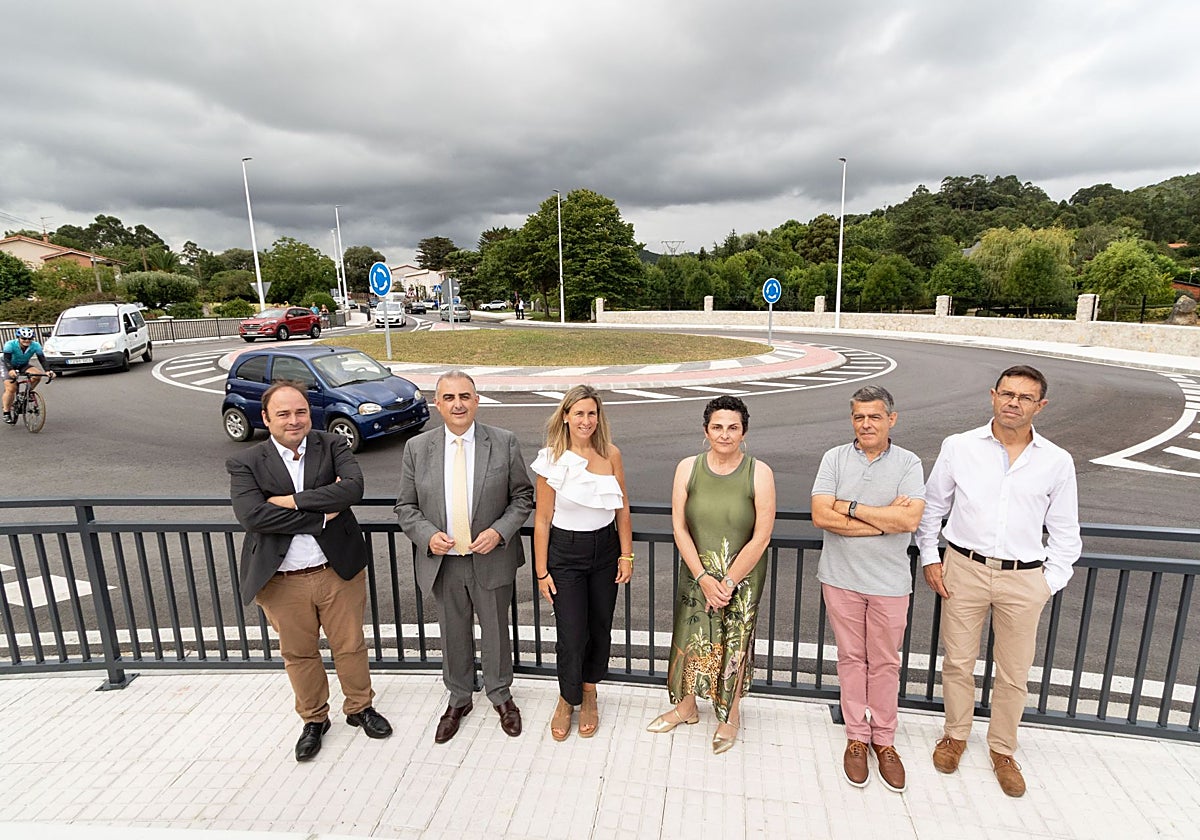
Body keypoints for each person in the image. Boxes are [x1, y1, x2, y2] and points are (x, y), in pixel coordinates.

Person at [916, 364, 1081, 798]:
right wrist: (932, 559)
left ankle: (1003, 750)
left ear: (1040, 406)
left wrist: (1049, 583)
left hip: (1024, 578)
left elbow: (1066, 533)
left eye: (1025, 397)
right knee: (958, 662)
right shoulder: (959, 446)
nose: (1014, 403)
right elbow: (932, 508)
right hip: (963, 569)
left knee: (1014, 673)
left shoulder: (1056, 461)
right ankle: (954, 735)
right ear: (992, 395)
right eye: (1007, 394)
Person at [226, 381, 392, 762]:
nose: (294, 420)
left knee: (350, 645)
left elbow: (353, 489)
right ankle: (315, 719)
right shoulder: (246, 462)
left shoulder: (331, 444)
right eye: (283, 414)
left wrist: (290, 502)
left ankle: (360, 708)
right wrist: (319, 517)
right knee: (299, 654)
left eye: (300, 411)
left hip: (337, 571)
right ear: (266, 418)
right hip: (281, 580)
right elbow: (253, 515)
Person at [395, 370, 534, 743]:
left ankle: (501, 695)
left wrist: (499, 532)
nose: (458, 404)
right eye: (449, 397)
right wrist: (427, 536)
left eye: (465, 396)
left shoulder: (503, 442)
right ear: (437, 404)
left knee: (495, 632)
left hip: (489, 557)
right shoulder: (418, 448)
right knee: (453, 633)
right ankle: (459, 697)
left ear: (476, 400)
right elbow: (406, 507)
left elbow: (523, 497)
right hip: (444, 563)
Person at [811, 385, 925, 792]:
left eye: (874, 416)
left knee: (885, 663)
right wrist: (883, 519)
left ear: (891, 419)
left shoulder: (909, 463)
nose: (866, 424)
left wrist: (852, 507)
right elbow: (821, 514)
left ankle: (885, 740)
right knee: (851, 659)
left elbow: (910, 521)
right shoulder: (834, 458)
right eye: (859, 417)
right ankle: (857, 737)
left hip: (890, 583)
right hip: (840, 578)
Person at [647, 396, 775, 754]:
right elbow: (679, 527)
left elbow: (761, 535)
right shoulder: (688, 468)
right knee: (691, 637)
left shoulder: (759, 473)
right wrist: (703, 577)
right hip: (696, 574)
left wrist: (729, 581)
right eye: (717, 427)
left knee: (734, 643)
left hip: (742, 578)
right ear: (706, 431)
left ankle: (729, 714)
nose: (725, 434)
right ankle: (687, 706)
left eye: (733, 427)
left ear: (744, 432)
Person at [531, 385, 633, 741]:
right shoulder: (550, 460)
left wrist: (626, 553)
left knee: (600, 627)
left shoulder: (611, 455)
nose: (586, 420)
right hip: (565, 553)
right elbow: (542, 520)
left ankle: (589, 692)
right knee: (572, 634)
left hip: (605, 551)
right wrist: (541, 571)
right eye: (579, 413)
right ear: (566, 416)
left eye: (592, 413)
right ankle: (566, 697)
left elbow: (622, 508)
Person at [3, 327, 55, 425]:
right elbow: (6, 359)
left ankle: (25, 393)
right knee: (11, 388)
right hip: (7, 365)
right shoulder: (10, 344)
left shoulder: (36, 345)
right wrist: (10, 370)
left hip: (23, 364)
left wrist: (48, 371)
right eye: (24, 338)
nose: (27, 341)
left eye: (29, 339)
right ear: (18, 338)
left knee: (37, 375)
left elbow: (42, 359)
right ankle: (6, 411)